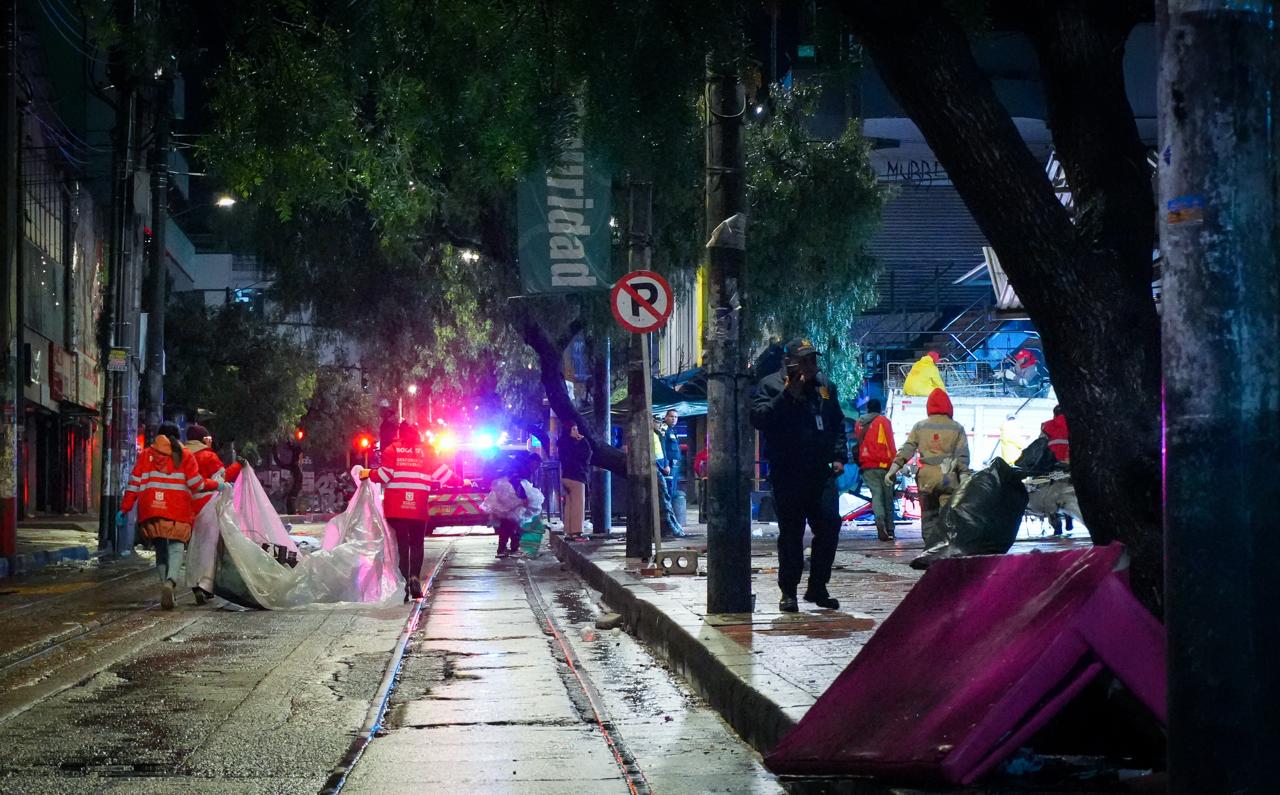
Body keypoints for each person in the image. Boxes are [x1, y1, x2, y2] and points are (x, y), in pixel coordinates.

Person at [750, 338, 848, 613]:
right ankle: (788, 592)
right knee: (791, 534)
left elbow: (836, 422)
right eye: (805, 360)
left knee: (829, 527)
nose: (811, 366)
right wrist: (787, 395)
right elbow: (759, 418)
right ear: (790, 362)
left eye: (813, 360)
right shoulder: (771, 385)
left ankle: (818, 587)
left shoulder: (825, 386)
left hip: (821, 472)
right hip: (788, 472)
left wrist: (839, 456)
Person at [120, 422, 222, 609]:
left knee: (161, 550)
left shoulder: (146, 455)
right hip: (177, 510)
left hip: (151, 510)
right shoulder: (185, 456)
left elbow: (134, 483)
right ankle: (170, 582)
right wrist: (217, 485)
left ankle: (168, 589)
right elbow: (196, 484)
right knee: (176, 548)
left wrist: (124, 508)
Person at [884, 388, 969, 549]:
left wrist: (893, 470)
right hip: (948, 477)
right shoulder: (957, 427)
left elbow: (907, 449)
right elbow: (962, 456)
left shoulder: (920, 426)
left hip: (926, 479)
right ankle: (946, 551)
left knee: (928, 516)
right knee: (948, 516)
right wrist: (964, 476)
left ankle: (930, 550)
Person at [368, 421, 433, 601]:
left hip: (396, 509)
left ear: (400, 433)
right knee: (417, 544)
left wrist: (368, 473)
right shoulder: (427, 451)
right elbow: (441, 472)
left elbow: (384, 475)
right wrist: (461, 482)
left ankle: (404, 582)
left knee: (402, 545)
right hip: (418, 508)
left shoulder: (392, 450)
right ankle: (415, 579)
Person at [482, 452, 544, 558]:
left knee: (510, 523)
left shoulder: (518, 464)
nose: (536, 468)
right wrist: (523, 498)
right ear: (534, 462)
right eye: (537, 465)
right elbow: (517, 482)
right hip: (510, 495)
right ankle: (511, 548)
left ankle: (506, 548)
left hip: (504, 493)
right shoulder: (523, 467)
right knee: (513, 522)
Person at [854, 399, 897, 541]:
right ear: (880, 409)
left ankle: (879, 520)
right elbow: (890, 443)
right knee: (888, 498)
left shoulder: (859, 424)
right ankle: (890, 529)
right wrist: (896, 465)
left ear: (867, 409)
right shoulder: (884, 421)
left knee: (876, 495)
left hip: (867, 466)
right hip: (884, 466)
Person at [185, 423, 243, 516]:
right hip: (206, 507)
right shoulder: (208, 456)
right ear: (203, 439)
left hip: (184, 507)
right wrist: (239, 465)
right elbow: (223, 478)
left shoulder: (181, 455)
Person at [557, 423, 592, 541]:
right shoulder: (575, 444)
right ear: (569, 431)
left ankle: (569, 531)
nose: (577, 431)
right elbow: (586, 455)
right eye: (574, 429)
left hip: (566, 476)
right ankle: (577, 533)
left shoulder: (562, 444)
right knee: (578, 505)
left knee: (569, 505)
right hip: (577, 476)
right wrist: (583, 440)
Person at [653, 419, 686, 539]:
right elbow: (663, 451)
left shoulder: (665, 432)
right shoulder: (660, 433)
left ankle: (672, 522)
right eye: (656, 421)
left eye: (676, 417)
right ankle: (668, 524)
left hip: (668, 466)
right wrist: (665, 465)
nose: (659, 424)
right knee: (666, 494)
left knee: (669, 494)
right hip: (663, 467)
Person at [659, 409, 682, 501]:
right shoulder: (664, 429)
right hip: (669, 465)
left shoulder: (673, 431)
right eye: (671, 416)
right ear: (666, 417)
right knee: (668, 490)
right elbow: (662, 447)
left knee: (673, 490)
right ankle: (666, 514)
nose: (674, 419)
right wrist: (666, 464)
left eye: (676, 417)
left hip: (675, 465)